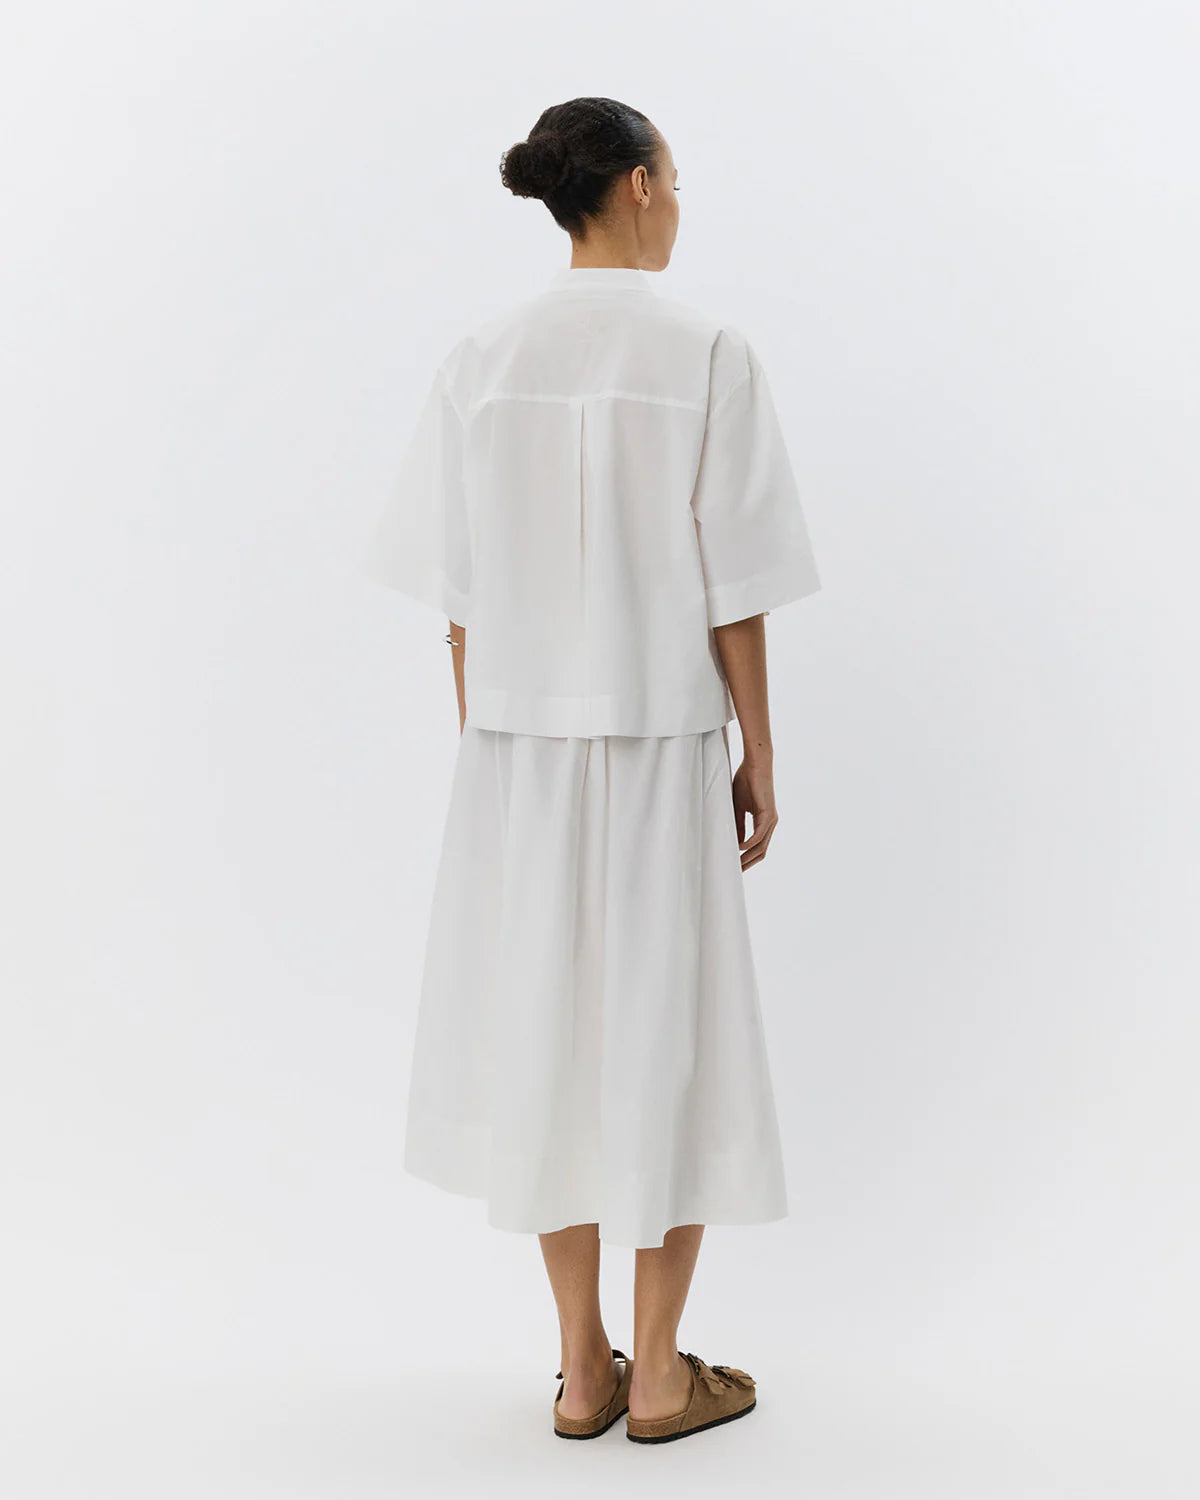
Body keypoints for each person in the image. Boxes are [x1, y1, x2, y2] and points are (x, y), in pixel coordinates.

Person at [362, 96, 821, 1444]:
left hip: (517, 753)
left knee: (544, 1039)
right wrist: (760, 751)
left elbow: (457, 599)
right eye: (675, 177)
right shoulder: (708, 352)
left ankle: (580, 1369)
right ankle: (661, 1373)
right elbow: (737, 585)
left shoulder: (482, 358)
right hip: (662, 742)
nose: (679, 202)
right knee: (667, 1037)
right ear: (635, 186)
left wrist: (496, 745)